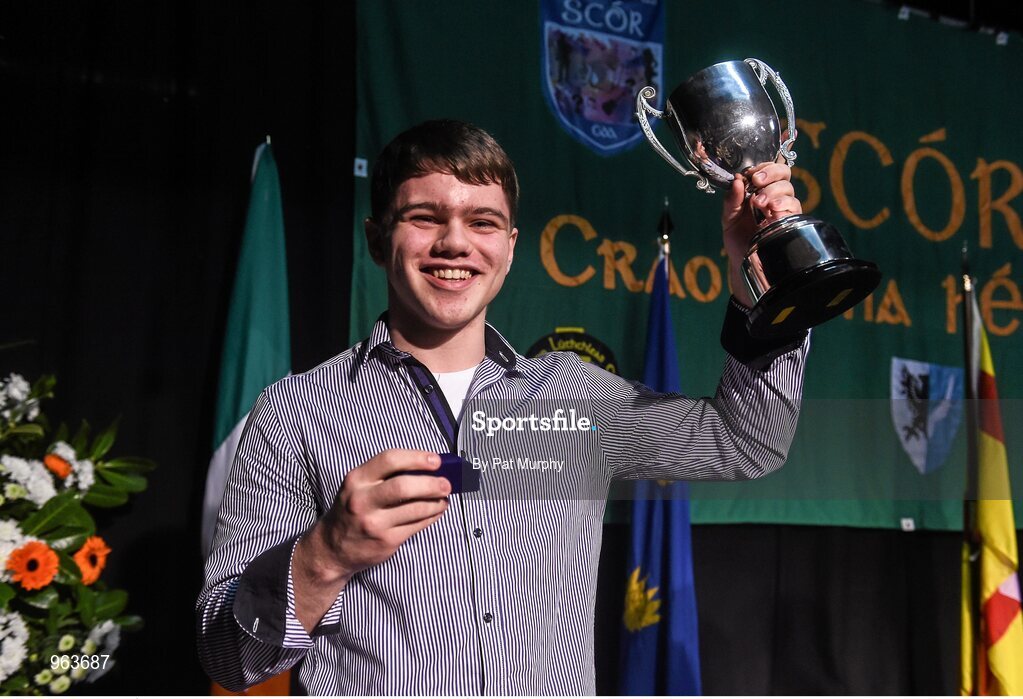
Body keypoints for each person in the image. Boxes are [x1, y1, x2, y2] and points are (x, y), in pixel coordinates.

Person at [196, 119, 809, 694]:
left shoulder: (577, 397)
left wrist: (764, 283)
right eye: (424, 217)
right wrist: (326, 552)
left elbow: (747, 442)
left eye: (483, 221)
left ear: (510, 249)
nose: (455, 242)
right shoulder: (294, 411)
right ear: (377, 239)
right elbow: (227, 654)